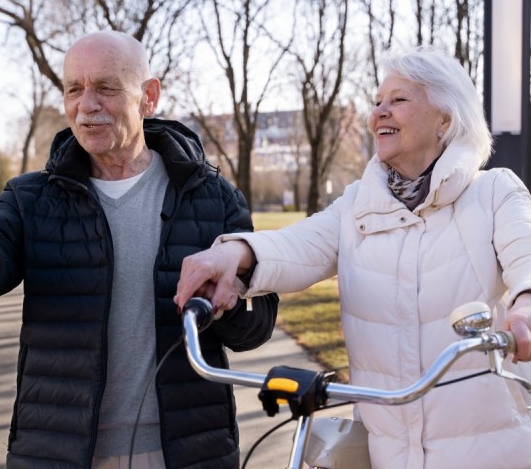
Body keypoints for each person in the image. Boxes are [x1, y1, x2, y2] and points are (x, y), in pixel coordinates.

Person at [0, 30, 278, 469]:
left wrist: (229, 303)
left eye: (106, 87)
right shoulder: (31, 198)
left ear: (148, 97)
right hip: (60, 452)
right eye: (73, 88)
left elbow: (258, 324)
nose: (86, 104)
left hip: (188, 452)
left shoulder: (213, 197)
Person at [174, 47, 531, 469]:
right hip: (388, 451)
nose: (379, 111)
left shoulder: (492, 193)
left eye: (398, 100)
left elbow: (524, 250)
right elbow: (300, 245)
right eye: (377, 102)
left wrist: (526, 304)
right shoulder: (358, 205)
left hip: (491, 448)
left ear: (446, 120)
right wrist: (237, 252)